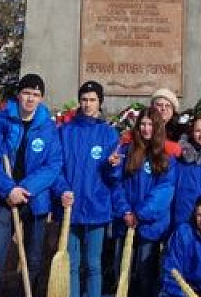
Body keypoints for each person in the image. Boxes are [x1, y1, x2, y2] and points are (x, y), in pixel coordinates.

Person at [0, 74, 65, 297]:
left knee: (33, 262)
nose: (30, 99)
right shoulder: (2, 120)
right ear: (19, 94)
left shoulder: (48, 126)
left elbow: (53, 165)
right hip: (7, 199)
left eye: (36, 95)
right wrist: (9, 189)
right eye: (26, 93)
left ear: (41, 98)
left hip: (36, 201)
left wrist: (24, 188)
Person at [54, 81, 120, 297]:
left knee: (93, 264)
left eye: (92, 100)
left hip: (96, 206)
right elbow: (56, 167)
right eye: (84, 99)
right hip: (70, 207)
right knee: (71, 264)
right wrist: (62, 190)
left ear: (100, 102)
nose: (88, 104)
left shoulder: (108, 134)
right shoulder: (65, 132)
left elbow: (114, 177)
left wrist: (113, 166)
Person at [110, 107, 175, 297]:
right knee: (121, 273)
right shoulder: (126, 151)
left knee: (145, 275)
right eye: (143, 124)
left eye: (151, 125)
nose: (147, 129)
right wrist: (126, 212)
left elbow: (164, 190)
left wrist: (139, 214)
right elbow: (116, 184)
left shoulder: (165, 156)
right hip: (125, 223)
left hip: (150, 226)